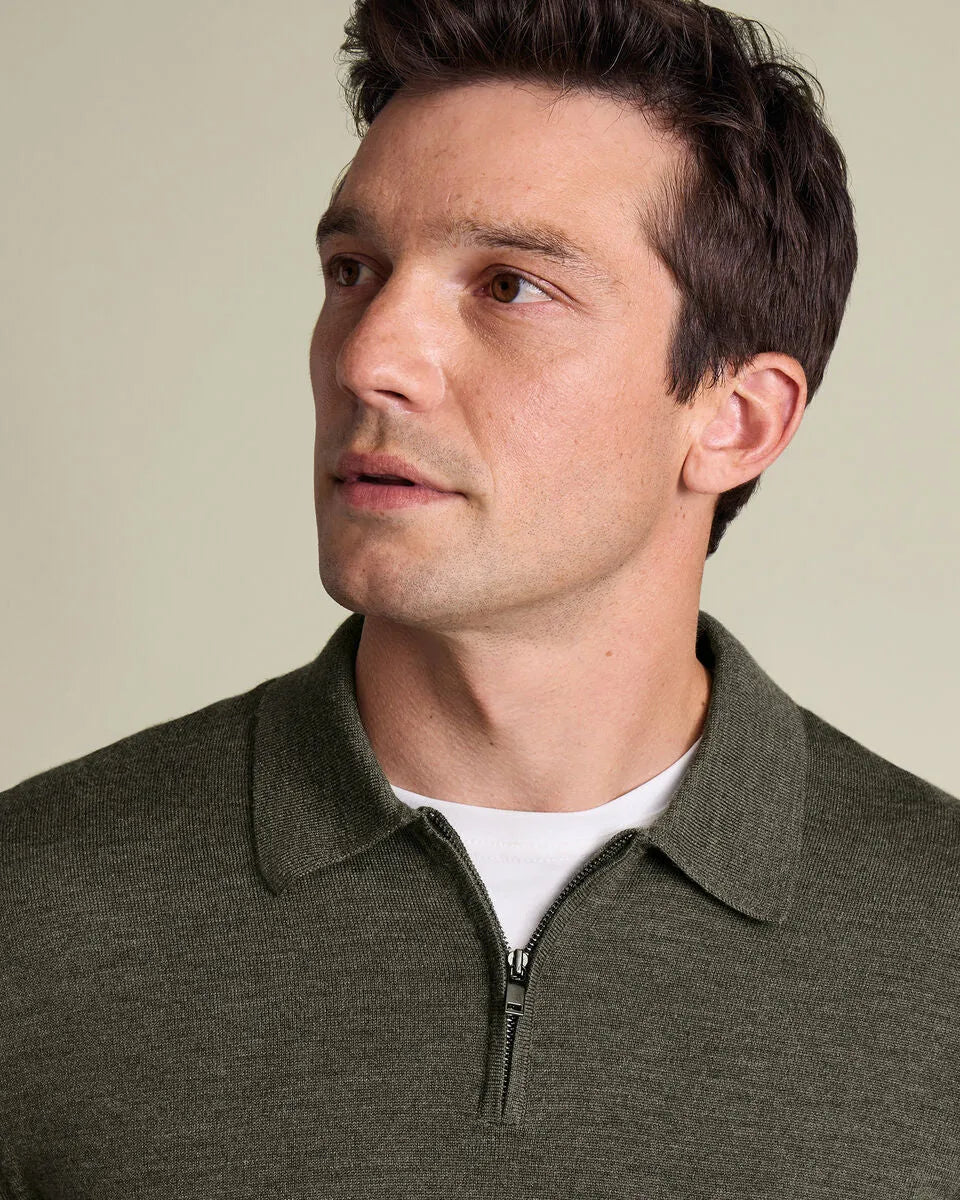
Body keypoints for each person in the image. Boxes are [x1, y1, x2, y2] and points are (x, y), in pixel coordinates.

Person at [2, 0, 957, 1195]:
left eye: (509, 287)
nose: (368, 358)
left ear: (735, 420)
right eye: (354, 271)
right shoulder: (29, 916)